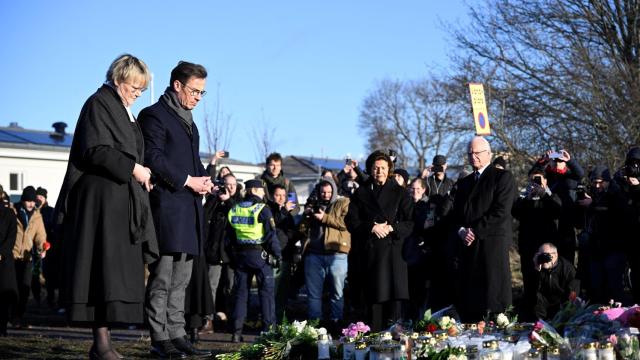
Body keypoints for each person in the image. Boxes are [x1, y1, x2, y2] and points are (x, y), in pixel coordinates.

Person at [54, 54, 157, 360]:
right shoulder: (99, 104)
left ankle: (103, 344)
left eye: (141, 89)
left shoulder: (125, 112)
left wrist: (143, 173)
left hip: (117, 201)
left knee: (112, 273)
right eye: (133, 87)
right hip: (99, 202)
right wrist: (134, 169)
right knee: (101, 270)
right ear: (117, 80)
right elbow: (94, 150)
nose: (137, 93)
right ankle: (101, 344)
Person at [139, 60, 212, 359]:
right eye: (194, 91)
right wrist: (187, 180)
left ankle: (177, 333)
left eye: (201, 93)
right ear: (177, 85)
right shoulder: (154, 116)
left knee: (181, 281)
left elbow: (192, 162)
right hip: (167, 210)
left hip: (190, 211)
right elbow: (154, 157)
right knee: (163, 279)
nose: (197, 98)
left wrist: (205, 178)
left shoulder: (189, 121)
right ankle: (160, 337)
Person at [346, 150, 414, 331]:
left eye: (383, 168)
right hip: (370, 256)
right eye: (376, 168)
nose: (379, 172)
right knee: (372, 309)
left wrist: (391, 228)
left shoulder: (400, 192)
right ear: (369, 169)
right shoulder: (361, 193)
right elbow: (351, 221)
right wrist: (372, 227)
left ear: (389, 169)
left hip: (393, 256)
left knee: (392, 312)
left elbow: (410, 223)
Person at [452, 136, 516, 322]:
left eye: (477, 153)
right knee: (471, 297)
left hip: (491, 244)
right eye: (470, 153)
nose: (473, 157)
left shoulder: (502, 177)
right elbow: (456, 215)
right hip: (468, 247)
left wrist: (476, 231)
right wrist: (461, 230)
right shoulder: (464, 183)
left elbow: (501, 211)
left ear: (488, 154)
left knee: (493, 295)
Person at [227, 180, 282, 343]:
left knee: (240, 295)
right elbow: (271, 236)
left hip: (241, 256)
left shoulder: (235, 208)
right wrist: (278, 255)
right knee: (266, 294)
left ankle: (236, 333)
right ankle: (268, 331)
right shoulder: (262, 209)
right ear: (255, 190)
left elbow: (229, 235)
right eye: (262, 190)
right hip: (260, 256)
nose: (264, 193)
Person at [299, 179, 350, 333]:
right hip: (314, 254)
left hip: (337, 254)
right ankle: (316, 324)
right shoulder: (313, 205)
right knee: (313, 293)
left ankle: (337, 321)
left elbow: (345, 224)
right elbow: (302, 229)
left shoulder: (343, 203)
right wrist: (307, 216)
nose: (326, 195)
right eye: (323, 192)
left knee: (337, 291)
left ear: (334, 191)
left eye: (329, 192)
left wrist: (325, 218)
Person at [512, 166, 562, 320]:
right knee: (529, 282)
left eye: (539, 179)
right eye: (533, 179)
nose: (536, 182)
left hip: (546, 247)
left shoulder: (552, 197)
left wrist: (544, 195)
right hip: (528, 247)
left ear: (546, 181)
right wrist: (527, 196)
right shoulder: (525, 198)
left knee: (548, 281)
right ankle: (529, 316)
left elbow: (557, 210)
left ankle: (550, 315)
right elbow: (514, 212)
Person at [574, 166, 626, 304]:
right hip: (595, 249)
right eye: (594, 182)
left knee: (614, 287)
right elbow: (580, 223)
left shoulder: (616, 193)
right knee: (596, 286)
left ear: (607, 181)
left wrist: (592, 205)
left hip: (614, 249)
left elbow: (614, 213)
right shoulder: (593, 195)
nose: (597, 185)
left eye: (600, 182)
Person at [200, 173, 240, 334]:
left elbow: (237, 215)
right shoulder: (214, 201)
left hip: (231, 255)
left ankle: (231, 322)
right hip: (214, 253)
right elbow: (204, 217)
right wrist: (214, 198)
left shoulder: (239, 203)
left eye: (233, 185)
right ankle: (207, 321)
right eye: (227, 184)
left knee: (231, 288)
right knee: (211, 287)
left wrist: (228, 200)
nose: (229, 187)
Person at [268, 184, 300, 321]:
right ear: (272, 196)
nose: (281, 198)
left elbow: (291, 235)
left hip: (286, 255)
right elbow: (273, 225)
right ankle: (270, 320)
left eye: (283, 195)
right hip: (274, 256)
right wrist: (284, 212)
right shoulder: (268, 209)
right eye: (277, 195)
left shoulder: (288, 214)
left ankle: (280, 319)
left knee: (282, 292)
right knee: (272, 291)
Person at [532, 243, 579, 320]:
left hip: (562, 305)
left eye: (546, 255)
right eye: (540, 256)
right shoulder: (539, 268)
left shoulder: (567, 269)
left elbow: (573, 294)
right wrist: (537, 271)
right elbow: (533, 293)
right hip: (544, 307)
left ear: (556, 255)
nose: (543, 259)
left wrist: (564, 314)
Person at [34, 187, 55, 307]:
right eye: (37, 197)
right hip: (34, 249)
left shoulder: (50, 211)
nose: (39, 199)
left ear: (45, 199)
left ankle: (50, 298)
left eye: (41, 197)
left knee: (48, 275)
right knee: (35, 275)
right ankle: (37, 300)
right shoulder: (34, 210)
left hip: (47, 248)